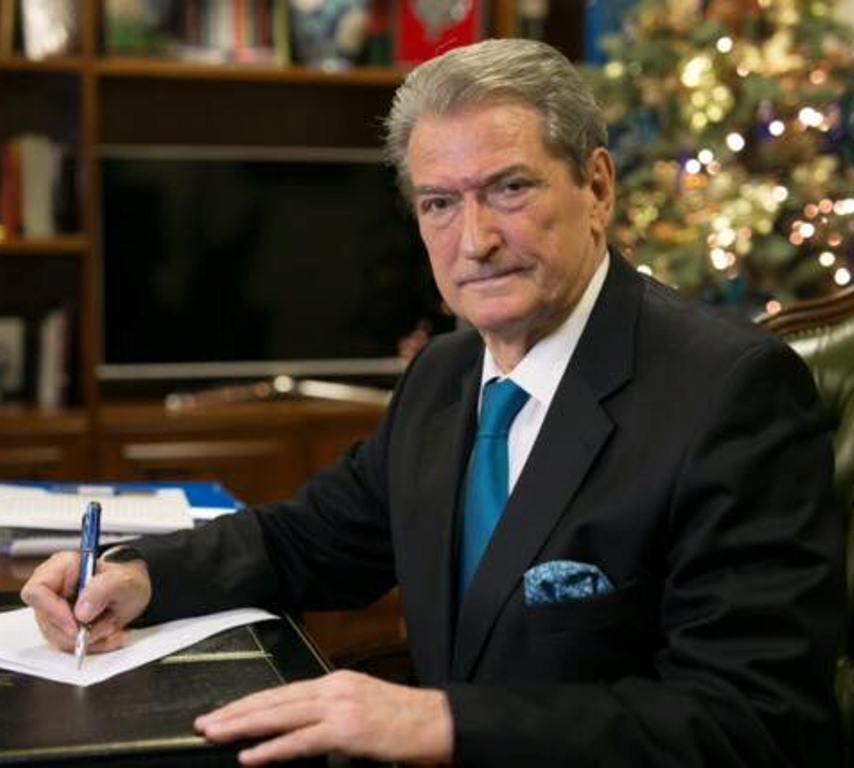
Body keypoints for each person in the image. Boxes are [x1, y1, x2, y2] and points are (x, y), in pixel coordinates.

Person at [21, 39, 844, 767]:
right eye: (440, 203)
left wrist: (441, 723)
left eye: (510, 189)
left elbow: (753, 722)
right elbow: (312, 540)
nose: (474, 240)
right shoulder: (444, 375)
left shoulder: (731, 392)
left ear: (597, 188)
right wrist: (139, 575)